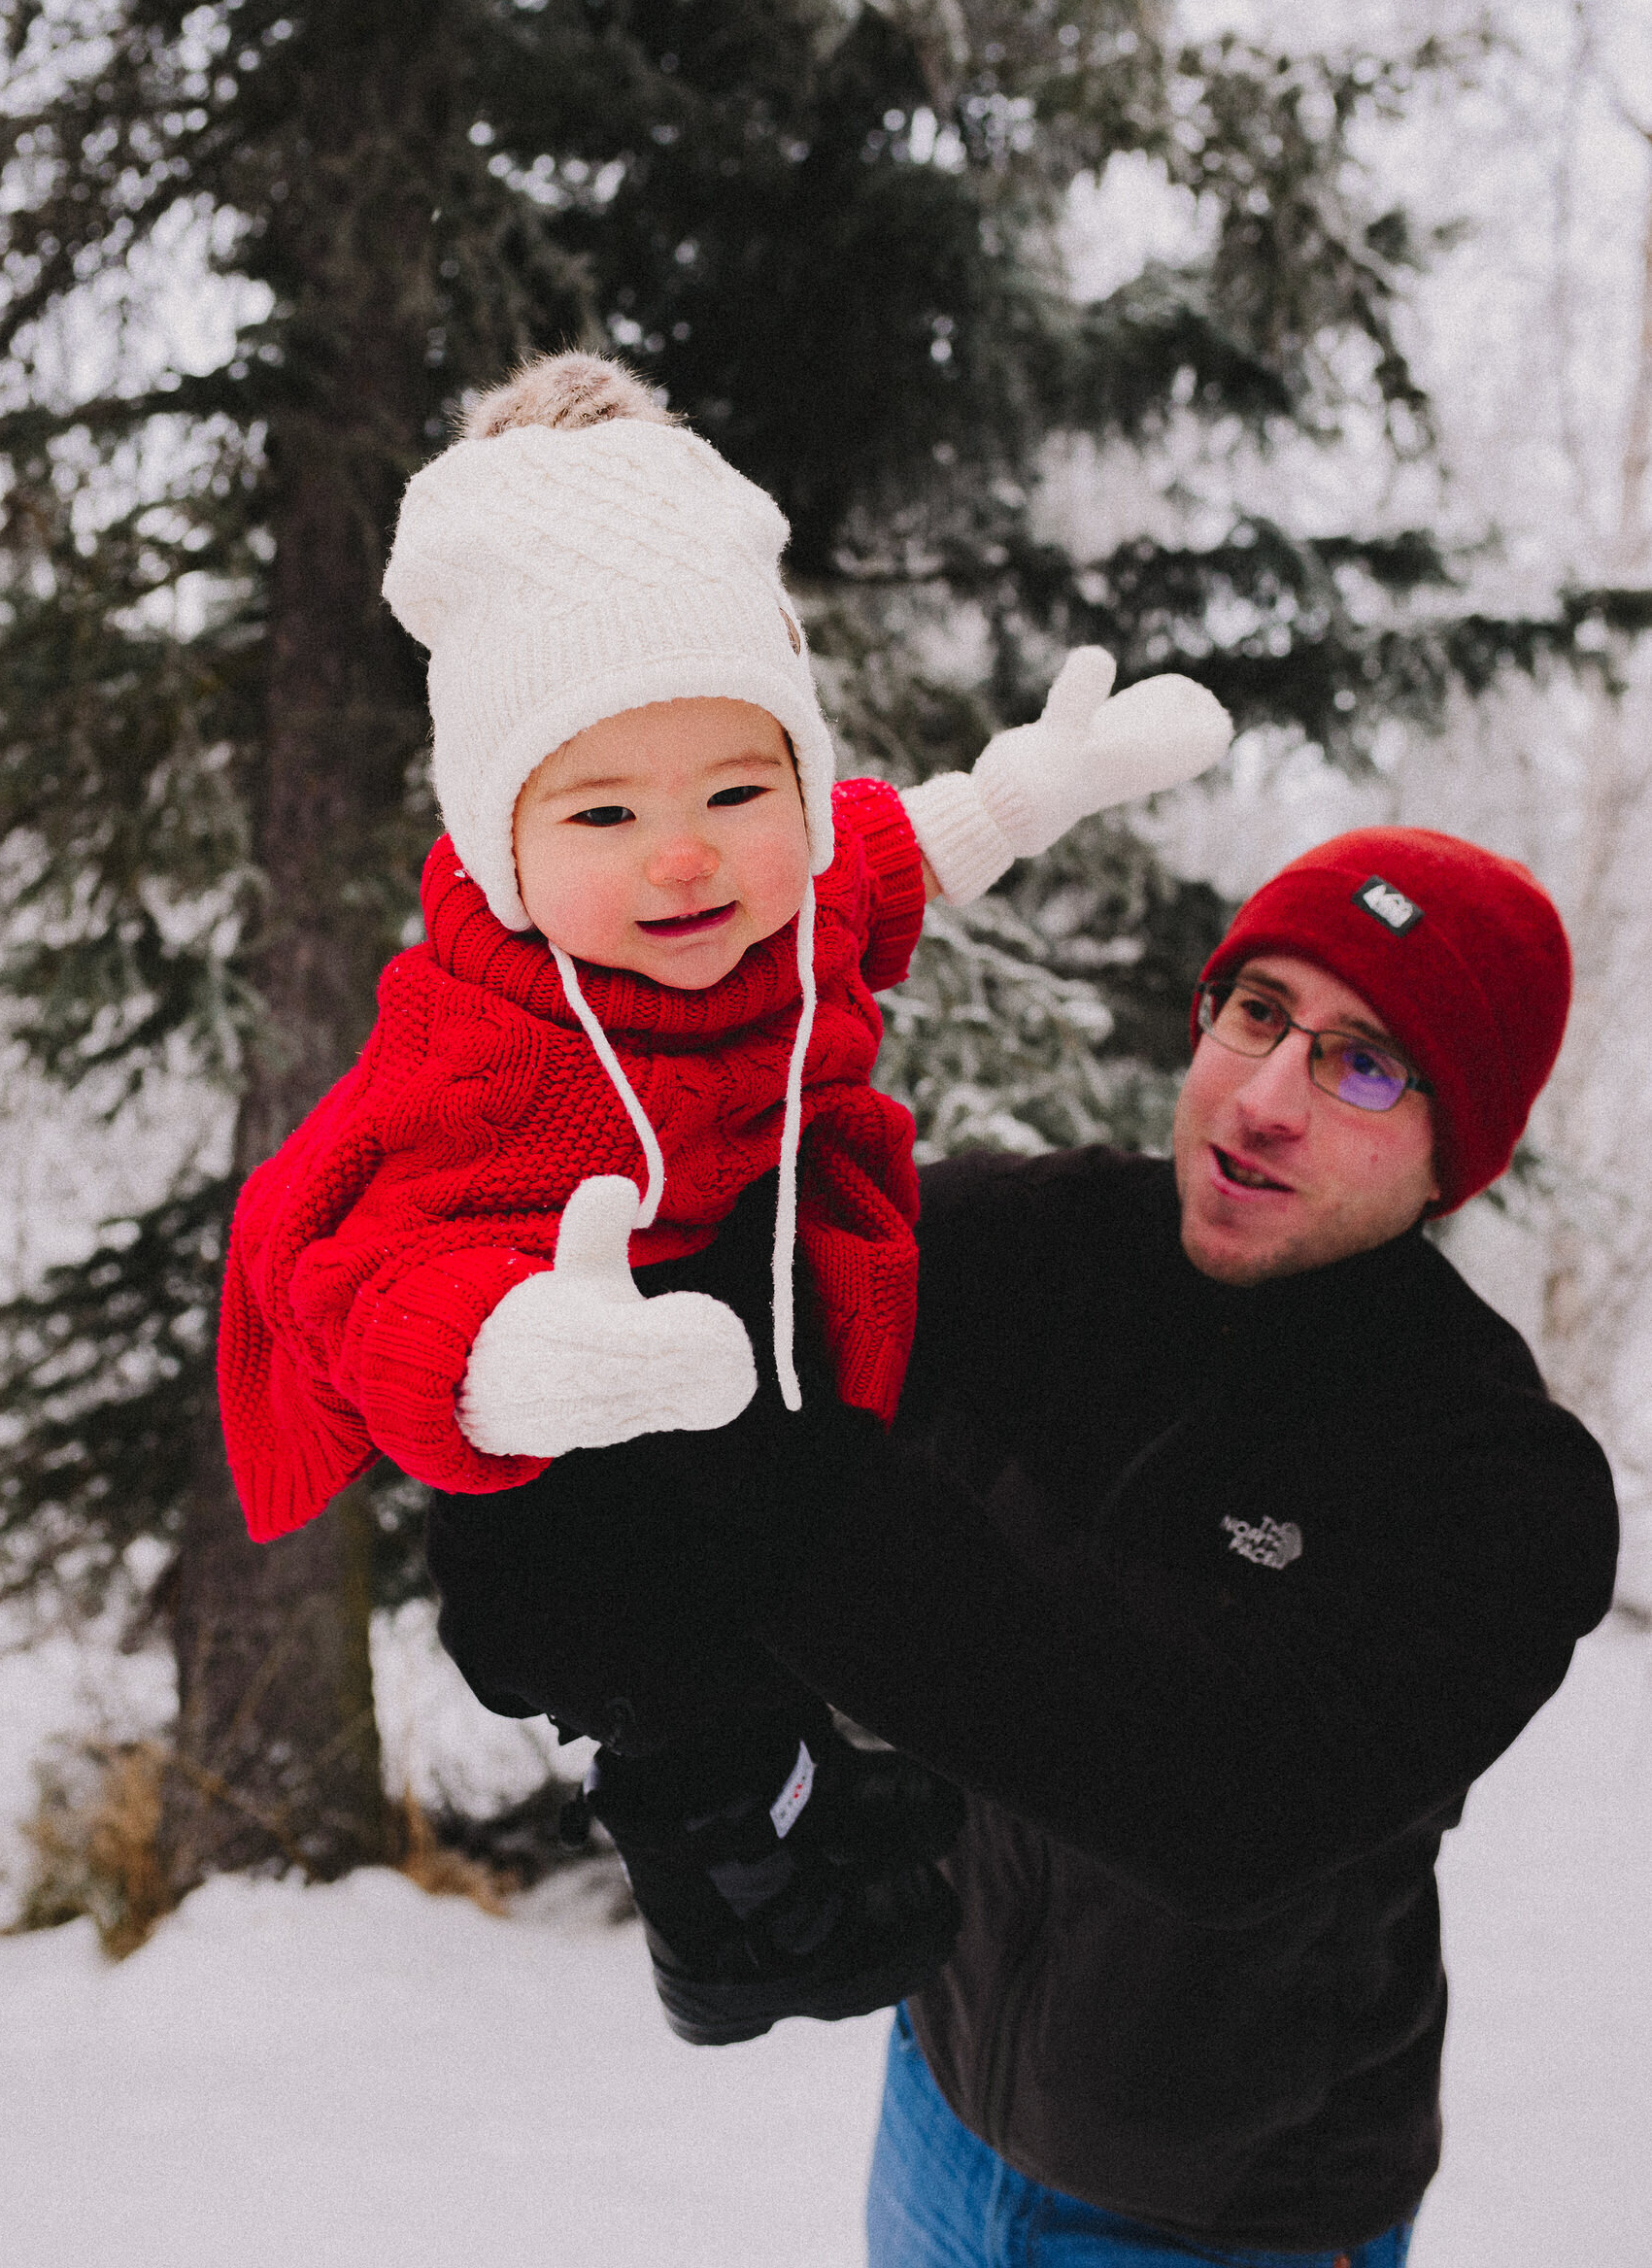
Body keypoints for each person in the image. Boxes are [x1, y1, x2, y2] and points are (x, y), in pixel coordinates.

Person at [215, 351, 1231, 2048]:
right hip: (563, 1456)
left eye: (737, 794)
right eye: (605, 811)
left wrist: (1027, 792)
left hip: (740, 1370)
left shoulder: (788, 905)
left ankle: (801, 1824)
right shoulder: (485, 1051)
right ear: (500, 839)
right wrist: (508, 1353)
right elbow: (360, 1279)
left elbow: (885, 855)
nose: (685, 857)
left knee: (776, 1624)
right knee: (668, 1693)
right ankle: (744, 1930)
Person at [440, 820, 1615, 2262]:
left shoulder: (1491, 1480)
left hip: (1233, 2216)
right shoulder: (1016, 1246)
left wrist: (793, 1508)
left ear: (1460, 1149)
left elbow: (1226, 1803)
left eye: (1362, 1063)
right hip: (941, 2113)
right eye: (1256, 1014)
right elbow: (688, 1299)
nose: (1260, 1101)